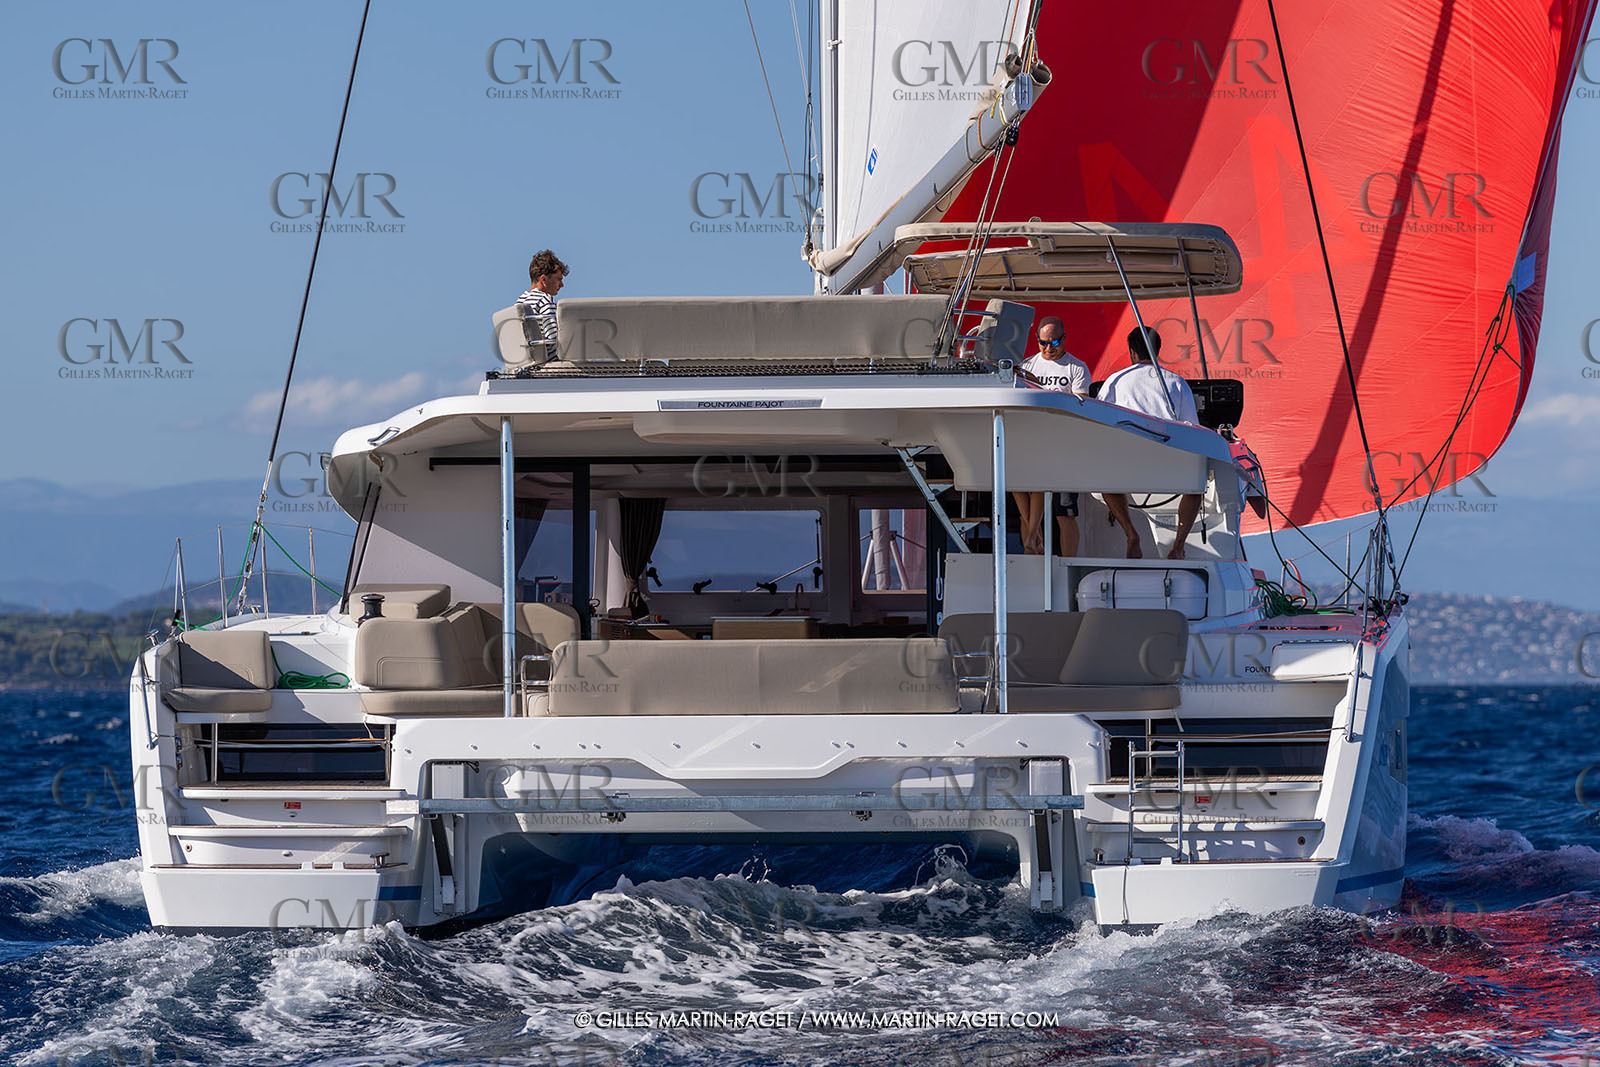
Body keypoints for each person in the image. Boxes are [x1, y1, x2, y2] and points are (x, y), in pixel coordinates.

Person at [1099, 325, 1204, 560]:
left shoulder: (1114, 381)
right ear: (1158, 350)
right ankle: (1178, 546)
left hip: (1127, 468)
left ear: (1132, 353)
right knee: (1197, 488)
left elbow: (1101, 423)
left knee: (1105, 482)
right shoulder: (1176, 382)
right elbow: (1192, 430)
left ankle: (1131, 534)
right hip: (1169, 470)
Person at [1013, 316, 1090, 556]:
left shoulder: (1076, 367)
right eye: (1043, 343)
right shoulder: (1027, 366)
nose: (1048, 348)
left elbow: (1082, 407)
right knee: (1020, 489)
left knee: (1064, 513)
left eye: (1054, 342)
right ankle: (1032, 547)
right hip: (1032, 439)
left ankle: (1066, 562)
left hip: (1063, 445)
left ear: (1064, 339)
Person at [515, 249, 569, 359]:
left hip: (525, 362)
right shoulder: (544, 299)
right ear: (543, 279)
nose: (562, 284)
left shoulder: (520, 302)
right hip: (547, 362)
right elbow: (554, 340)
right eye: (559, 279)